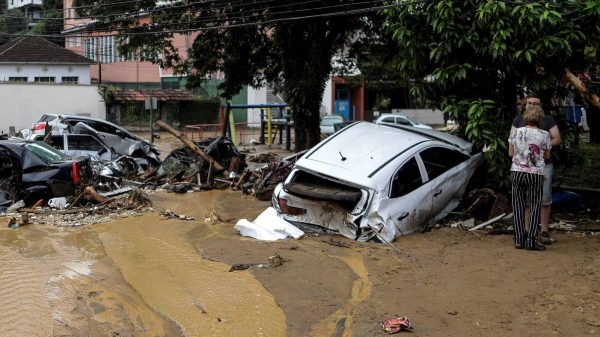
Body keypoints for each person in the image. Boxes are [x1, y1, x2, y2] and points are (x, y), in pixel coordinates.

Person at [511, 94, 561, 244]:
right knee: (529, 201)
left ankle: (542, 231)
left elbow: (557, 138)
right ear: (525, 104)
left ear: (540, 105)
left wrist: (538, 146)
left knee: (542, 199)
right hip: (528, 168)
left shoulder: (548, 121)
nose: (532, 105)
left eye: (535, 103)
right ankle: (527, 233)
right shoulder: (518, 120)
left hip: (538, 167)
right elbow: (513, 142)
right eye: (530, 102)